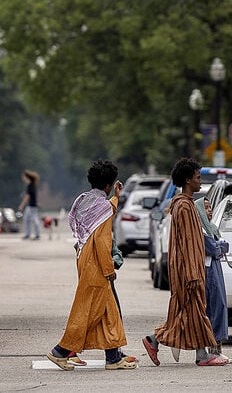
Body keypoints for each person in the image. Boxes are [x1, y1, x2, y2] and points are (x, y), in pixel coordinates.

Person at [46, 159, 137, 371]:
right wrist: (109, 269)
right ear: (108, 184)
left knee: (107, 311)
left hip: (82, 255)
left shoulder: (83, 199)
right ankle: (60, 351)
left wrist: (116, 197)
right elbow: (103, 241)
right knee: (87, 310)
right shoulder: (103, 207)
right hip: (96, 261)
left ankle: (113, 357)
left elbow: (83, 223)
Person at [143, 157, 221, 367]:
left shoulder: (185, 205)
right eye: (197, 177)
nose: (200, 181)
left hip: (188, 269)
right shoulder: (185, 207)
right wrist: (193, 273)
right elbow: (187, 244)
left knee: (189, 313)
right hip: (188, 270)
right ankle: (199, 354)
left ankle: (157, 341)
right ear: (188, 180)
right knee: (194, 311)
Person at [196, 197, 229, 364]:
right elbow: (213, 247)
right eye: (206, 208)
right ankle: (212, 350)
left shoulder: (212, 228)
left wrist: (218, 247)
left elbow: (221, 247)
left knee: (220, 306)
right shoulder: (200, 230)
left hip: (216, 270)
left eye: (210, 208)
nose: (209, 211)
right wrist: (219, 247)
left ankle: (217, 350)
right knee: (213, 308)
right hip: (207, 272)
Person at [17, 170, 41, 240]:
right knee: (27, 219)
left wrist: (21, 205)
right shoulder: (32, 185)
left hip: (31, 206)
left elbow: (28, 196)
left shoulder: (30, 185)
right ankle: (28, 234)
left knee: (34, 219)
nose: (23, 178)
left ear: (27, 177)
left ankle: (37, 235)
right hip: (31, 205)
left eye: (23, 177)